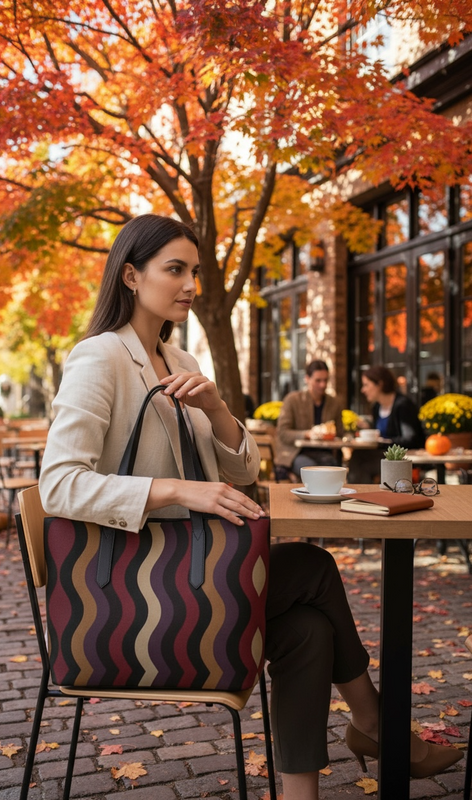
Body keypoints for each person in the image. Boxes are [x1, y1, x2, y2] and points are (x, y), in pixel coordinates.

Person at [39, 215, 461, 800]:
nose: (191, 285)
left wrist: (216, 411)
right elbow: (59, 484)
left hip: (192, 580)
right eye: (175, 270)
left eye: (194, 271)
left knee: (308, 629)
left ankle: (308, 788)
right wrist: (177, 490)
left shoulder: (182, 363)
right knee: (312, 566)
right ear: (131, 276)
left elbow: (244, 475)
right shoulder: (99, 357)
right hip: (133, 600)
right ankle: (375, 722)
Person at [348, 365, 426, 484]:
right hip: (385, 456)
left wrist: (384, 442)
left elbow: (411, 439)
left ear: (379, 384)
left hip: (403, 458)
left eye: (366, 385)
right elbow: (379, 434)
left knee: (361, 462)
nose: (363, 390)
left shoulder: (403, 405)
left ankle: (361, 492)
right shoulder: (377, 407)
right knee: (358, 455)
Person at [275, 360, 344, 478]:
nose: (322, 385)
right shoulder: (293, 400)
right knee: (313, 470)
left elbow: (340, 433)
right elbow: (283, 433)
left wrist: (331, 435)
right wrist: (307, 434)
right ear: (307, 379)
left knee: (333, 467)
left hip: (325, 453)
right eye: (318, 380)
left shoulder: (334, 403)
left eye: (325, 380)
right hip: (296, 453)